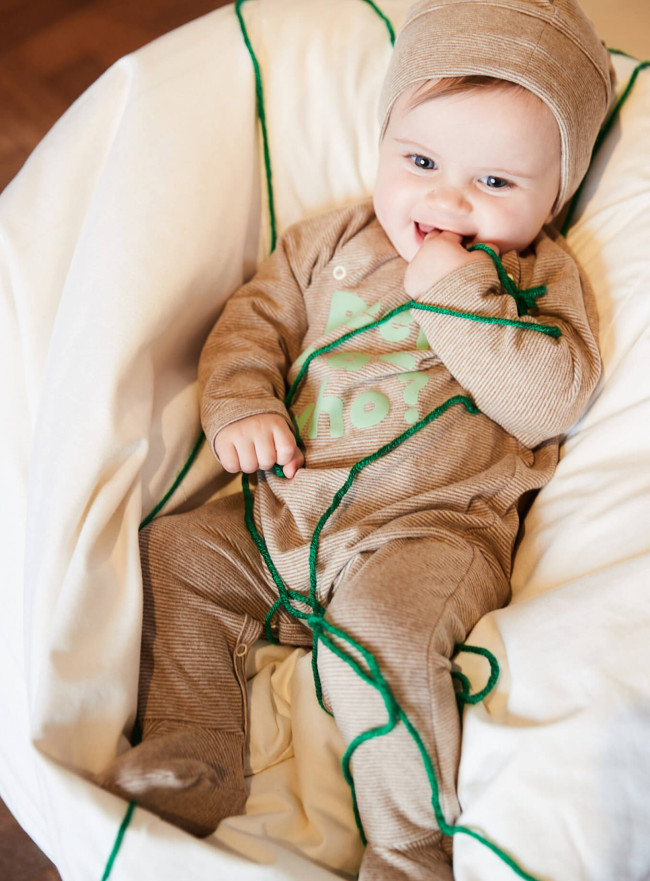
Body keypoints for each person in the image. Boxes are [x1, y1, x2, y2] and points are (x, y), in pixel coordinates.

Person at [98, 0, 613, 877]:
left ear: (553, 196)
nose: (445, 198)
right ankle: (200, 748)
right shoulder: (327, 239)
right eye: (419, 160)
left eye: (495, 184)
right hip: (286, 513)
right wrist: (241, 406)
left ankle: (412, 842)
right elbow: (251, 324)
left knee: (384, 637)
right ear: (382, 144)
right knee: (178, 550)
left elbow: (549, 400)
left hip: (429, 533)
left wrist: (457, 293)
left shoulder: (538, 276)